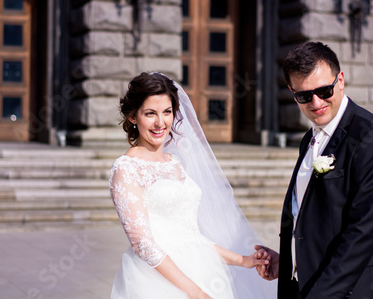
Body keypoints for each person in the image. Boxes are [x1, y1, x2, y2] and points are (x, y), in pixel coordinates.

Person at [255, 41, 373, 298]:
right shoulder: (310, 139)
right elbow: (311, 219)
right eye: (304, 96)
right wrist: (289, 262)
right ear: (292, 92)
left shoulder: (372, 137)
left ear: (340, 80)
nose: (316, 103)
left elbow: (362, 233)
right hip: (307, 286)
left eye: (324, 90)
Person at [109, 72, 277, 298]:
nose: (160, 122)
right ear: (132, 116)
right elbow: (143, 245)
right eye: (150, 114)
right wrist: (195, 293)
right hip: (157, 281)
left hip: (203, 272)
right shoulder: (126, 168)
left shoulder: (175, 162)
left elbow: (191, 236)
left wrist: (243, 260)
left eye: (167, 112)